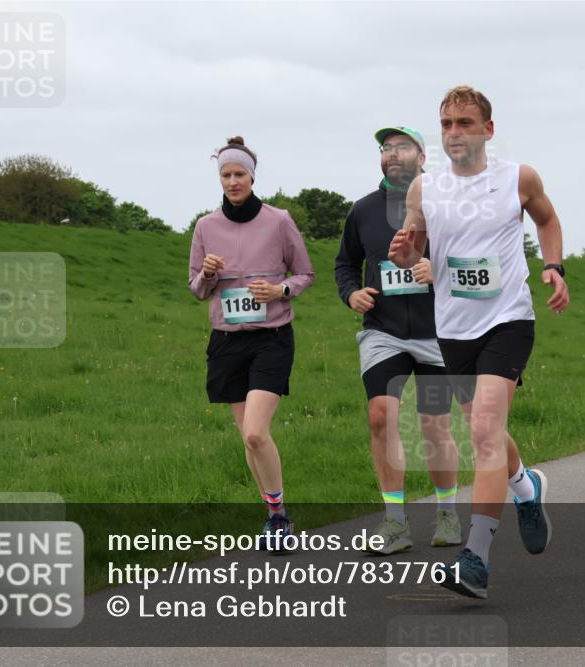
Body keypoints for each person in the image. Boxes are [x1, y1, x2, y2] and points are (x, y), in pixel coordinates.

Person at [388, 87, 570, 598]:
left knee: (485, 429)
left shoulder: (518, 178)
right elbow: (415, 250)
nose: (454, 132)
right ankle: (525, 488)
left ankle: (476, 559)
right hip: (452, 326)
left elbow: (548, 219)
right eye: (446, 124)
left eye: (465, 123)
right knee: (484, 429)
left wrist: (553, 267)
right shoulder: (425, 189)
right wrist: (405, 252)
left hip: (507, 319)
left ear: (488, 129)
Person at [335, 126, 462, 555]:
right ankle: (395, 523)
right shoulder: (363, 210)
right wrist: (351, 292)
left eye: (402, 147)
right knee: (380, 416)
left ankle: (447, 512)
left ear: (423, 157)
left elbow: (468, 260)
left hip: (435, 331)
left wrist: (435, 270)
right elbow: (345, 264)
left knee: (434, 424)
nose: (392, 154)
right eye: (385, 148)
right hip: (382, 331)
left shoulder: (445, 205)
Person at [188, 136, 315, 551]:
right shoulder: (206, 227)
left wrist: (279, 290)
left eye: (239, 173)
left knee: (257, 433)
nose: (232, 181)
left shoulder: (279, 221)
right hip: (227, 342)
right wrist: (207, 274)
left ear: (253, 175)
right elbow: (196, 290)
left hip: (271, 339)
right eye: (225, 175)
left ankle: (279, 517)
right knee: (248, 438)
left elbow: (304, 275)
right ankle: (272, 514)